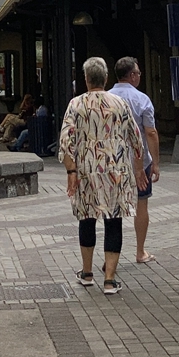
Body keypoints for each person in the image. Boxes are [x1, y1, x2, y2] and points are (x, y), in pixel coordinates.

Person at [59, 57, 145, 296]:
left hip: (86, 171)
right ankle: (109, 280)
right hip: (116, 171)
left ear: (86, 80)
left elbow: (66, 143)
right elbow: (136, 140)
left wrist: (71, 172)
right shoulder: (119, 103)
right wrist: (138, 168)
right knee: (113, 220)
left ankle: (87, 273)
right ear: (106, 79)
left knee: (86, 218)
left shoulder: (75, 105)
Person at [107, 57, 161, 265]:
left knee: (113, 209)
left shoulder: (107, 98)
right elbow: (151, 132)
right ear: (132, 76)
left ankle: (111, 256)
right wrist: (155, 162)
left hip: (113, 161)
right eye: (137, 72)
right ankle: (140, 251)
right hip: (139, 160)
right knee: (142, 204)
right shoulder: (142, 99)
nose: (139, 75)